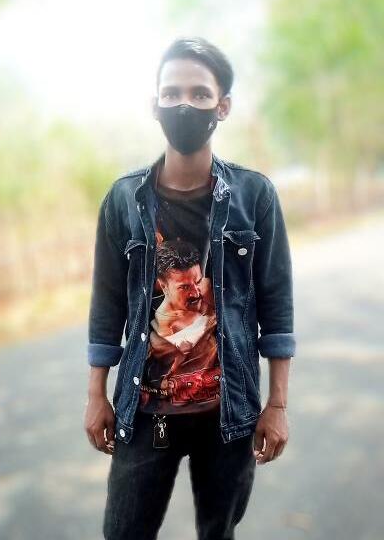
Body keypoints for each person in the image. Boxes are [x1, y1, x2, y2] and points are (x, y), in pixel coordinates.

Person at [84, 36, 296, 540]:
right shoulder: (124, 199)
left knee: (218, 533)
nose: (184, 104)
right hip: (146, 411)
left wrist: (277, 405)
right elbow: (107, 306)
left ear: (223, 106)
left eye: (200, 94)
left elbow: (277, 307)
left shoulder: (254, 195)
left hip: (229, 415)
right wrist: (96, 394)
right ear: (154, 104)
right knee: (123, 532)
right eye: (172, 92)